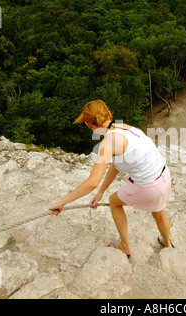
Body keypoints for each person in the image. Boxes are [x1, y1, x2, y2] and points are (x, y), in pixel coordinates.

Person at [48, 100, 173, 258]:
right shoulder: (126, 128)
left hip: (147, 187)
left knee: (114, 202)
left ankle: (125, 246)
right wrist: (101, 191)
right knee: (159, 212)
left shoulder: (108, 143)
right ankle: (167, 243)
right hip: (164, 176)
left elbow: (92, 181)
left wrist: (62, 203)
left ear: (88, 125)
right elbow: (116, 164)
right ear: (109, 114)